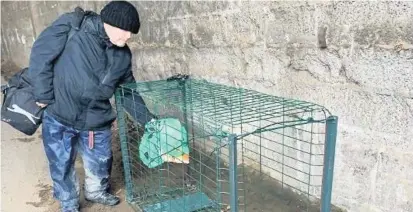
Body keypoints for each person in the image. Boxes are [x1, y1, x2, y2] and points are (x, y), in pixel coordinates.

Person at [27, 1, 153, 211]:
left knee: (100, 161)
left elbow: (127, 93)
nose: (129, 36)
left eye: (132, 32)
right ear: (109, 23)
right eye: (126, 30)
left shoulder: (123, 56)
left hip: (96, 119)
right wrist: (42, 94)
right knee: (61, 163)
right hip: (60, 113)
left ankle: (96, 192)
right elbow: (41, 55)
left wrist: (149, 121)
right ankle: (68, 202)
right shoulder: (73, 26)